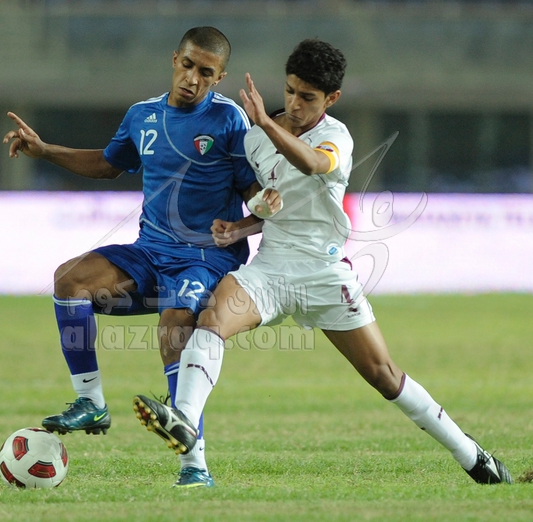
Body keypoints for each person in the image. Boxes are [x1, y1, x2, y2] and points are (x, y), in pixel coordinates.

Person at [133, 39, 513, 486]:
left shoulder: (336, 137)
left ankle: (472, 456)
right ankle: (184, 421)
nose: (295, 104)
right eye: (290, 91)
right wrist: (242, 226)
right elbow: (272, 202)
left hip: (324, 273)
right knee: (211, 320)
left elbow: (313, 165)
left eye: (308, 97)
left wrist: (266, 125)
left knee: (384, 375)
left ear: (331, 98)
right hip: (271, 268)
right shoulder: (256, 138)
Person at [3, 26, 279, 489]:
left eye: (205, 72)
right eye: (187, 65)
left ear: (219, 78)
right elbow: (107, 164)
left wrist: (257, 211)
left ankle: (195, 467)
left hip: (205, 257)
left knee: (174, 327)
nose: (192, 78)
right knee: (69, 280)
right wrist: (45, 151)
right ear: (174, 59)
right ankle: (91, 402)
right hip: (149, 251)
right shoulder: (142, 115)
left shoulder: (230, 120)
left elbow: (251, 186)